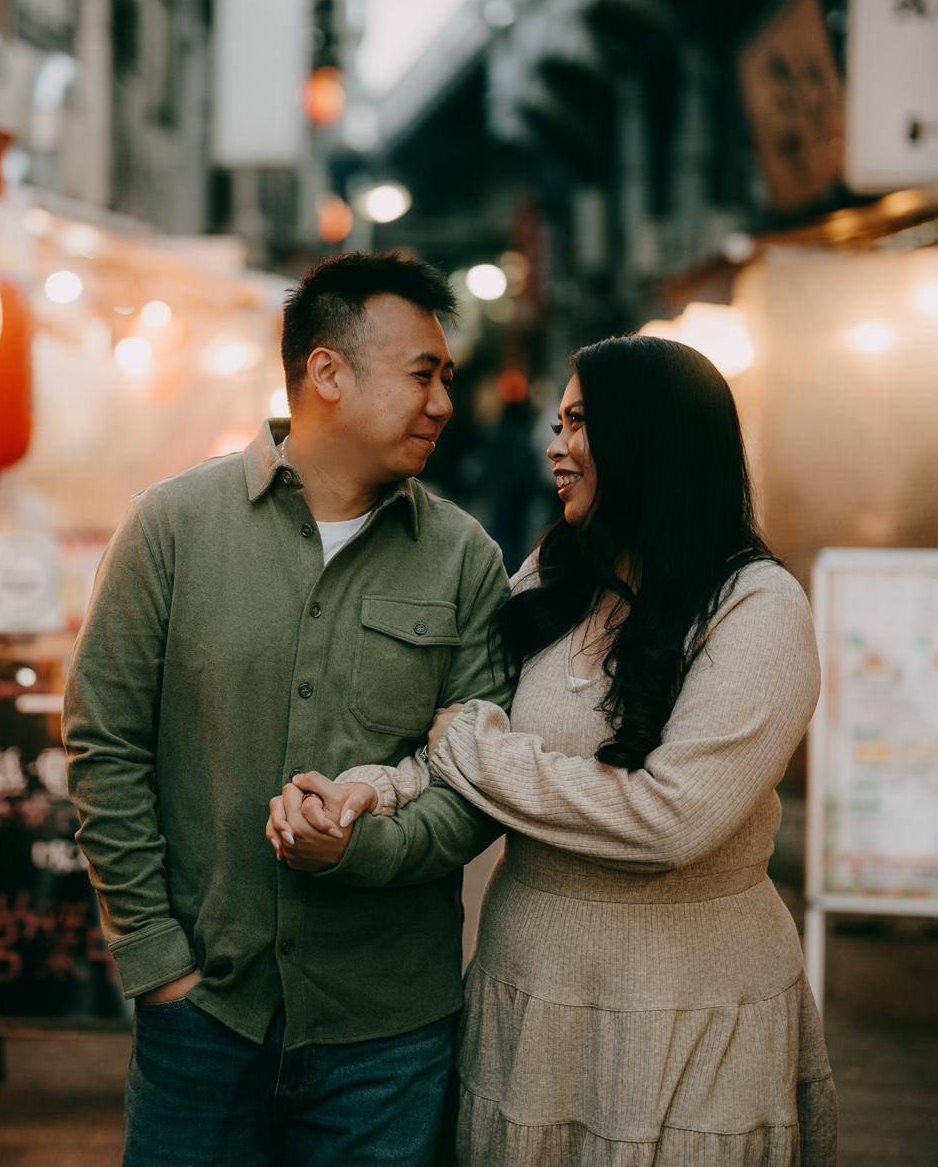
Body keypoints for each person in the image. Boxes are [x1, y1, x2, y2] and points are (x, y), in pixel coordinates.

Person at [273, 335, 837, 1166]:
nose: (554, 447)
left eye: (578, 424)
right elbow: (467, 732)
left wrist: (475, 750)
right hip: (531, 987)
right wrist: (371, 791)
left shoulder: (757, 608)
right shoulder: (557, 571)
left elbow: (670, 821)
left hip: (687, 999)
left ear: (650, 439)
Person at [63, 252, 513, 1164]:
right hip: (203, 1019)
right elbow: (103, 746)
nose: (443, 404)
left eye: (448, 380)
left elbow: (475, 786)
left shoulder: (465, 560)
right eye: (423, 375)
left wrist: (364, 846)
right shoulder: (173, 527)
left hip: (386, 1036)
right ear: (327, 371)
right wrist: (157, 965)